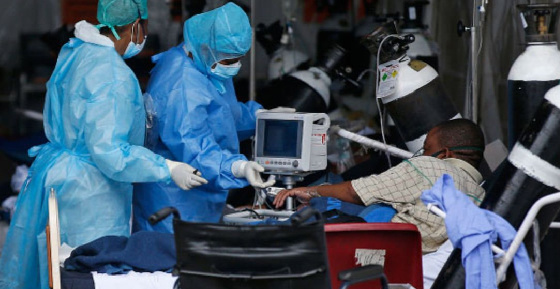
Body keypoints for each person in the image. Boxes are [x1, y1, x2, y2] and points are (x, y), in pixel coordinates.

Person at [0, 0, 207, 289]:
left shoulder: (78, 51)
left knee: (55, 279)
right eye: (144, 26)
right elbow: (110, 153)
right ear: (135, 26)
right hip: (91, 193)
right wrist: (167, 168)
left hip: (63, 176)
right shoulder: (113, 75)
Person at [133, 3, 274, 232]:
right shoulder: (181, 85)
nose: (235, 66)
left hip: (202, 201)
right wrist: (236, 167)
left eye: (239, 59)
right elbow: (195, 147)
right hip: (173, 205)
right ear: (207, 48)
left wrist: (260, 117)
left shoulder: (206, 62)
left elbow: (222, 117)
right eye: (230, 61)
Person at [274, 118, 486, 254]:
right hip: (409, 251)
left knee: (325, 198)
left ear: (446, 154)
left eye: (428, 148)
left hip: (378, 244)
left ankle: (262, 224)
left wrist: (310, 192)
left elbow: (356, 192)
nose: (423, 154)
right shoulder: (480, 195)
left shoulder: (431, 167)